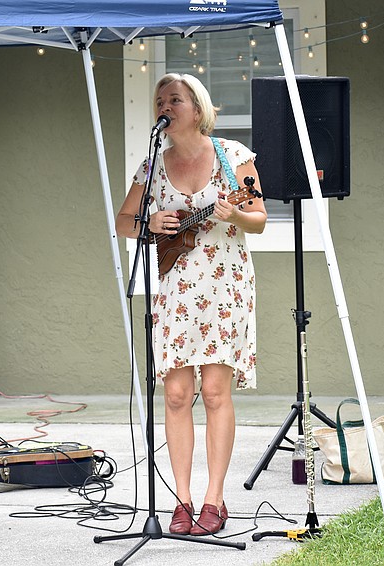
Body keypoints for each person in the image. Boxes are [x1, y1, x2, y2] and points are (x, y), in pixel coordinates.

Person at [116, 73, 267, 536]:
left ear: (197, 109)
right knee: (178, 395)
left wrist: (235, 213)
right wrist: (150, 222)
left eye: (175, 99)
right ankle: (180, 501)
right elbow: (123, 221)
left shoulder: (233, 157)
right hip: (177, 292)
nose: (165, 105)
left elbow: (258, 220)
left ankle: (213, 501)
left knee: (216, 394)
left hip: (225, 289)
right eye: (160, 99)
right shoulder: (153, 166)